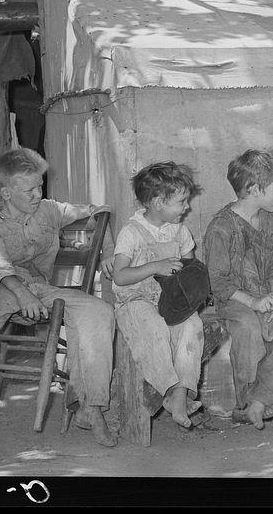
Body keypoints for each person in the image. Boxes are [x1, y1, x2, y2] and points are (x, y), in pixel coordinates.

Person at [0, 148, 116, 464]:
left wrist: (108, 250)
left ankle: (91, 408)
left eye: (40, 186)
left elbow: (100, 210)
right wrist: (22, 296)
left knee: (99, 311)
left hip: (40, 288)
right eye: (29, 189)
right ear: (6, 192)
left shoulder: (50, 210)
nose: (38, 194)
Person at [201, 149, 273, 429]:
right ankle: (247, 401)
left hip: (267, 295)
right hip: (235, 299)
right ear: (253, 189)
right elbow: (218, 282)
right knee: (249, 328)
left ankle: (266, 399)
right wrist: (253, 302)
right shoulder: (221, 228)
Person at [111, 162, 207, 431]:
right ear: (156, 202)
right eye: (180, 202)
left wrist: (196, 289)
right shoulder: (131, 232)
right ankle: (170, 387)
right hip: (135, 301)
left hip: (169, 302)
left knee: (193, 325)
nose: (186, 207)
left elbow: (189, 269)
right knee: (154, 328)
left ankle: (181, 393)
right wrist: (155, 266)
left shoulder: (180, 232)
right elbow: (120, 276)